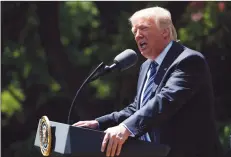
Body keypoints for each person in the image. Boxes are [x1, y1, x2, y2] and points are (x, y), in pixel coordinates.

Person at [73, 6, 223, 157]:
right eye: (134, 32)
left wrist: (126, 128)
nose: (137, 36)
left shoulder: (188, 61)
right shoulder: (147, 66)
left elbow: (165, 100)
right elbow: (137, 108)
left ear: (164, 31)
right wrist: (99, 124)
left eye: (143, 28)